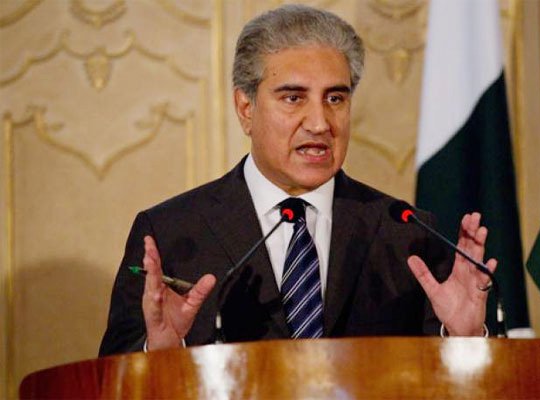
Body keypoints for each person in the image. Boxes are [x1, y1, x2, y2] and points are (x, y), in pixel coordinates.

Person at [99, 4, 497, 356]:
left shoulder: (407, 234)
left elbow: (452, 383)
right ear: (245, 108)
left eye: (335, 98)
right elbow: (113, 379)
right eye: (294, 98)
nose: (320, 123)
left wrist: (463, 337)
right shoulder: (170, 233)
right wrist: (162, 352)